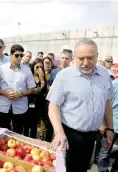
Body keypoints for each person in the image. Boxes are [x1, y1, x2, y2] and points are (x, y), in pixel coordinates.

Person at [47, 39, 113, 172]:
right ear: (75, 57)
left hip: (91, 136)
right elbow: (53, 106)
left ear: (97, 55)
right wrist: (59, 132)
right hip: (68, 135)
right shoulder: (64, 76)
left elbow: (107, 102)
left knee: (82, 168)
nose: (86, 63)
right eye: (81, 58)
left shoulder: (104, 74)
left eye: (90, 58)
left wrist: (110, 128)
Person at [0, 44, 35, 134]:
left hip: (20, 108)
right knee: (2, 134)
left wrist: (20, 94)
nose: (19, 58)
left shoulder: (27, 70)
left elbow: (32, 89)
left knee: (17, 134)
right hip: (3, 107)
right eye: (16, 55)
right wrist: (6, 94)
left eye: (21, 55)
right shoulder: (1, 69)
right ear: (10, 55)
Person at [98, 79, 118, 172]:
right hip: (112, 127)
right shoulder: (113, 85)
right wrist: (103, 124)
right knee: (104, 154)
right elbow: (103, 105)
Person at [24, 58, 47, 139]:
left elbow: (44, 90)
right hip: (30, 103)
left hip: (39, 104)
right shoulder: (29, 77)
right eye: (37, 67)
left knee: (34, 124)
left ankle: (33, 138)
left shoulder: (42, 77)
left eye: (41, 67)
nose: (39, 69)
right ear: (33, 67)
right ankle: (25, 137)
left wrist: (42, 79)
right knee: (27, 123)